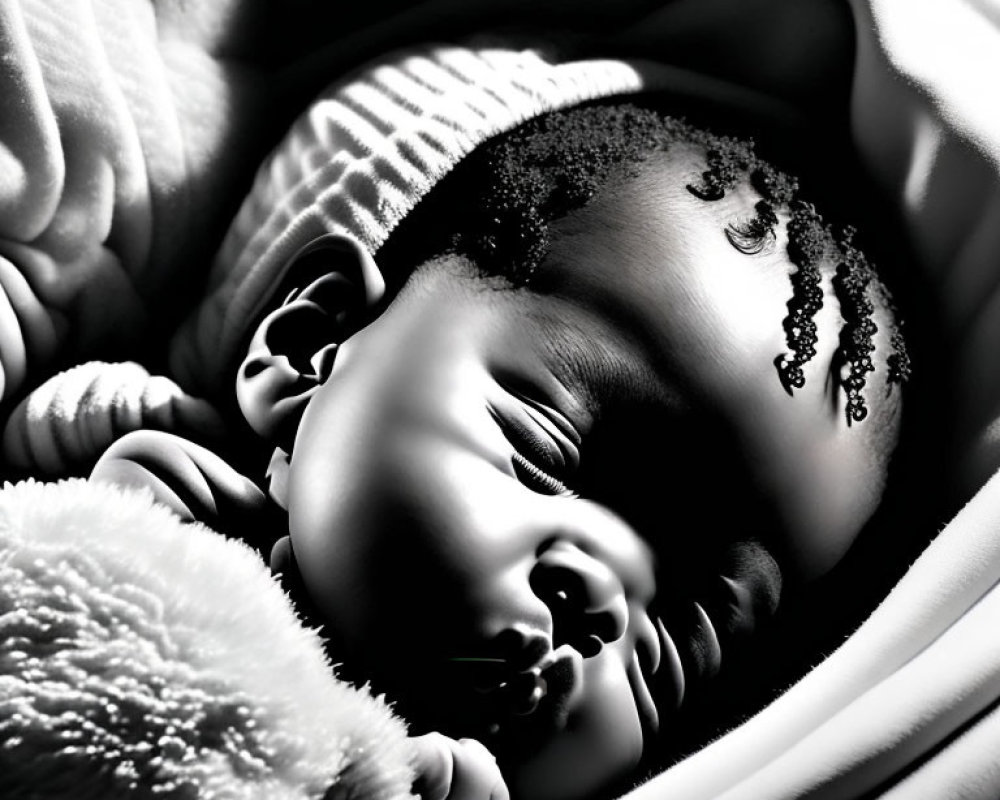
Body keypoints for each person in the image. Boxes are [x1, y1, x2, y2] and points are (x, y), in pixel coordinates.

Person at [94, 100, 911, 800]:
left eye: (684, 639)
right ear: (317, 346)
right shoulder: (137, 503)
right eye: (544, 448)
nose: (601, 592)